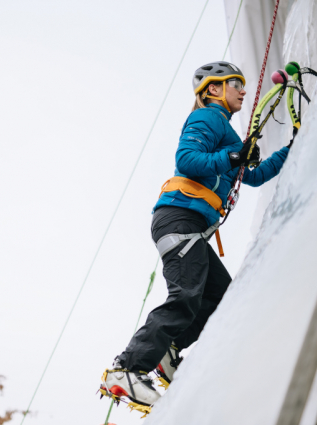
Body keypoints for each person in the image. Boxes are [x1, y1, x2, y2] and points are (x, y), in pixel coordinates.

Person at [101, 61, 291, 408]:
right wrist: (235, 154)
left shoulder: (226, 132)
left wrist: (291, 149)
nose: (243, 91)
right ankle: (127, 369)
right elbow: (187, 159)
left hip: (190, 227)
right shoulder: (207, 118)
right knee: (186, 295)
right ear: (214, 89)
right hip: (179, 220)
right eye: (236, 83)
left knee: (221, 298)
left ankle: (169, 353)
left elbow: (255, 175)